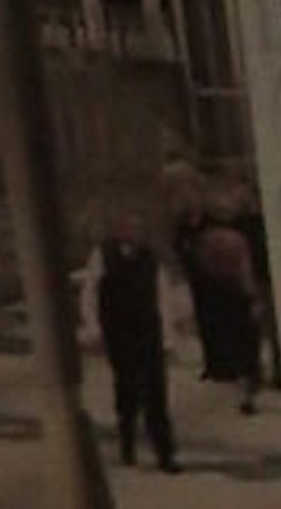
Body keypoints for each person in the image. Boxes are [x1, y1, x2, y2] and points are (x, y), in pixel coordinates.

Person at [90, 223, 175, 469]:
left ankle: (165, 453)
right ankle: (127, 444)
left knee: (156, 395)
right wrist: (94, 329)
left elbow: (164, 298)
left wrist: (168, 339)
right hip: (119, 334)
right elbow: (91, 293)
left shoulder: (152, 259)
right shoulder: (102, 256)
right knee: (126, 392)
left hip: (149, 332)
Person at [180, 201, 263, 410]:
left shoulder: (202, 242)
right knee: (247, 345)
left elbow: (199, 269)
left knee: (230, 343)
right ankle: (249, 388)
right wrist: (253, 295)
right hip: (238, 296)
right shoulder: (237, 240)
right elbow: (246, 271)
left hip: (216, 298)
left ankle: (236, 383)